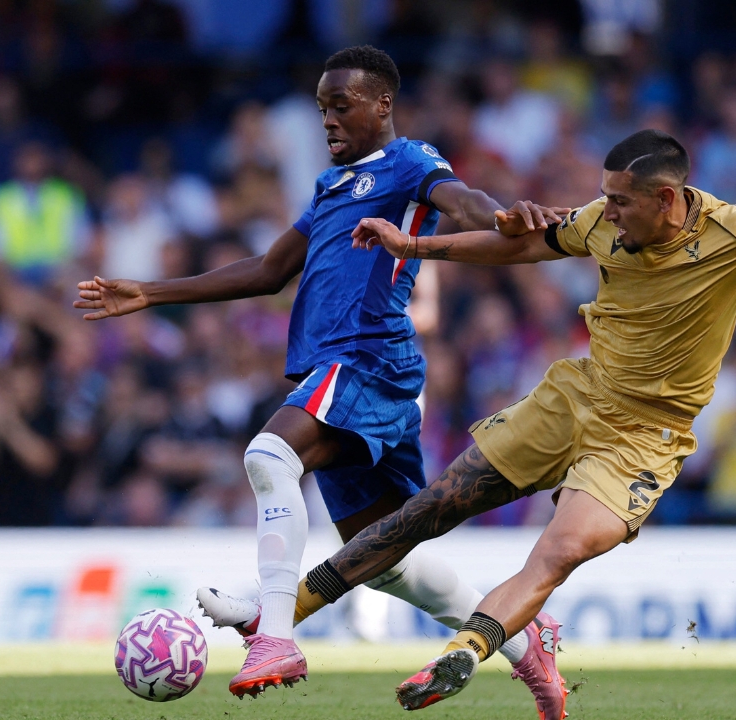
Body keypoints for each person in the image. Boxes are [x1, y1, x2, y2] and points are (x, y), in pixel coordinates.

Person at [257, 79, 736, 714]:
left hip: (643, 436)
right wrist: (416, 245)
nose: (604, 212)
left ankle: (466, 652)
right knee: (429, 510)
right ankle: (277, 621)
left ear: (667, 197)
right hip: (575, 397)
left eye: (620, 201)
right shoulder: (602, 222)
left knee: (558, 550)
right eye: (604, 198)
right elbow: (519, 244)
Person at [72, 46, 565, 707]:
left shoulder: (409, 161)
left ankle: (273, 633)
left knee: (269, 454)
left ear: (382, 105)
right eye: (321, 109)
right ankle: (531, 646)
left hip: (367, 358)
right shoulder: (330, 188)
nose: (328, 120)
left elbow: (462, 199)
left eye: (342, 105)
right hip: (350, 371)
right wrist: (151, 294)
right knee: (386, 558)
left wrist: (501, 216)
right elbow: (269, 270)